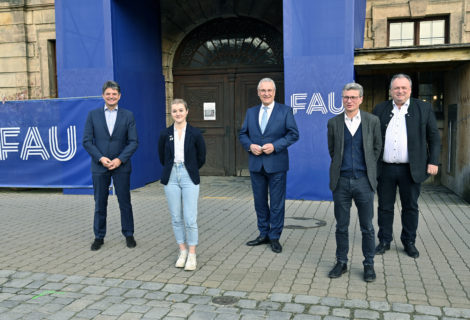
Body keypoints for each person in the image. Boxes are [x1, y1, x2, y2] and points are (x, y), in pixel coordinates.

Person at [373, 74, 441, 258]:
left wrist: (433, 161)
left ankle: (409, 241)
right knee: (384, 207)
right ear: (391, 91)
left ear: (410, 90)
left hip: (411, 169)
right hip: (385, 168)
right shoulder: (380, 109)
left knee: (410, 207)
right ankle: (384, 240)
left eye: (404, 88)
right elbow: (371, 138)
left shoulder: (423, 108)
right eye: (396, 88)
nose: (400, 91)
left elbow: (434, 138)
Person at [327, 82, 382, 282]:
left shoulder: (372, 121)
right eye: (345, 97)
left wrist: (365, 170)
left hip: (364, 182)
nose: (349, 101)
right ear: (342, 99)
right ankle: (341, 262)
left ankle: (369, 265)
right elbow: (333, 151)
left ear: (360, 99)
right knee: (342, 226)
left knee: (367, 226)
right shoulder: (333, 123)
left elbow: (376, 149)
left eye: (353, 97)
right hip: (341, 182)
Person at [239, 78, 299, 253]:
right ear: (258, 93)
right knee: (259, 202)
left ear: (274, 92)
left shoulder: (285, 111)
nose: (266, 93)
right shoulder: (251, 112)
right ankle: (263, 233)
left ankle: (275, 237)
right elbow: (243, 134)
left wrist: (275, 146)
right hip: (256, 165)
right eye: (263, 91)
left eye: (269, 90)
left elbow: (293, 134)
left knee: (277, 203)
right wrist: (249, 146)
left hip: (277, 164)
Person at [83, 80, 139, 251]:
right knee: (100, 202)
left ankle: (129, 234)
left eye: (114, 94)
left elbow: (133, 142)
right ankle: (99, 237)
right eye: (108, 94)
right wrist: (101, 158)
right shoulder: (93, 115)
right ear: (103, 96)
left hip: (121, 166)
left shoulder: (128, 115)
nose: (111, 96)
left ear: (119, 96)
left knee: (125, 202)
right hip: (100, 166)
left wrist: (119, 159)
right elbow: (86, 141)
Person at [158, 99, 206, 271]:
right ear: (171, 113)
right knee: (176, 217)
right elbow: (162, 157)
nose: (178, 114)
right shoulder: (165, 134)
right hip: (171, 176)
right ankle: (182, 251)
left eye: (181, 110)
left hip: (188, 175)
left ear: (187, 111)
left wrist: (190, 169)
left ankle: (192, 254)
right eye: (174, 111)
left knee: (190, 218)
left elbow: (201, 157)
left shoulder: (195, 133)